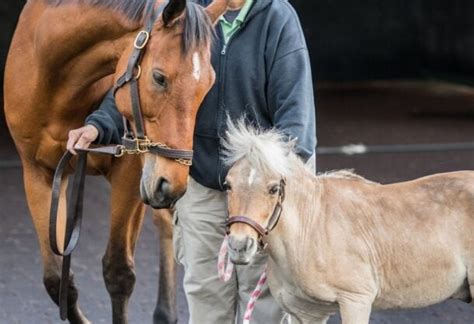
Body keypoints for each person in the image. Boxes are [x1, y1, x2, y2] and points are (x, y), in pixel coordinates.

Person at [67, 0, 316, 322]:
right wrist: (98, 125)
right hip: (201, 180)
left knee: (265, 304)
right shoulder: (182, 14)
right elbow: (145, 81)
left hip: (257, 192)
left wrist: (268, 190)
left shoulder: (276, 18)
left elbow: (296, 120)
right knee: (205, 296)